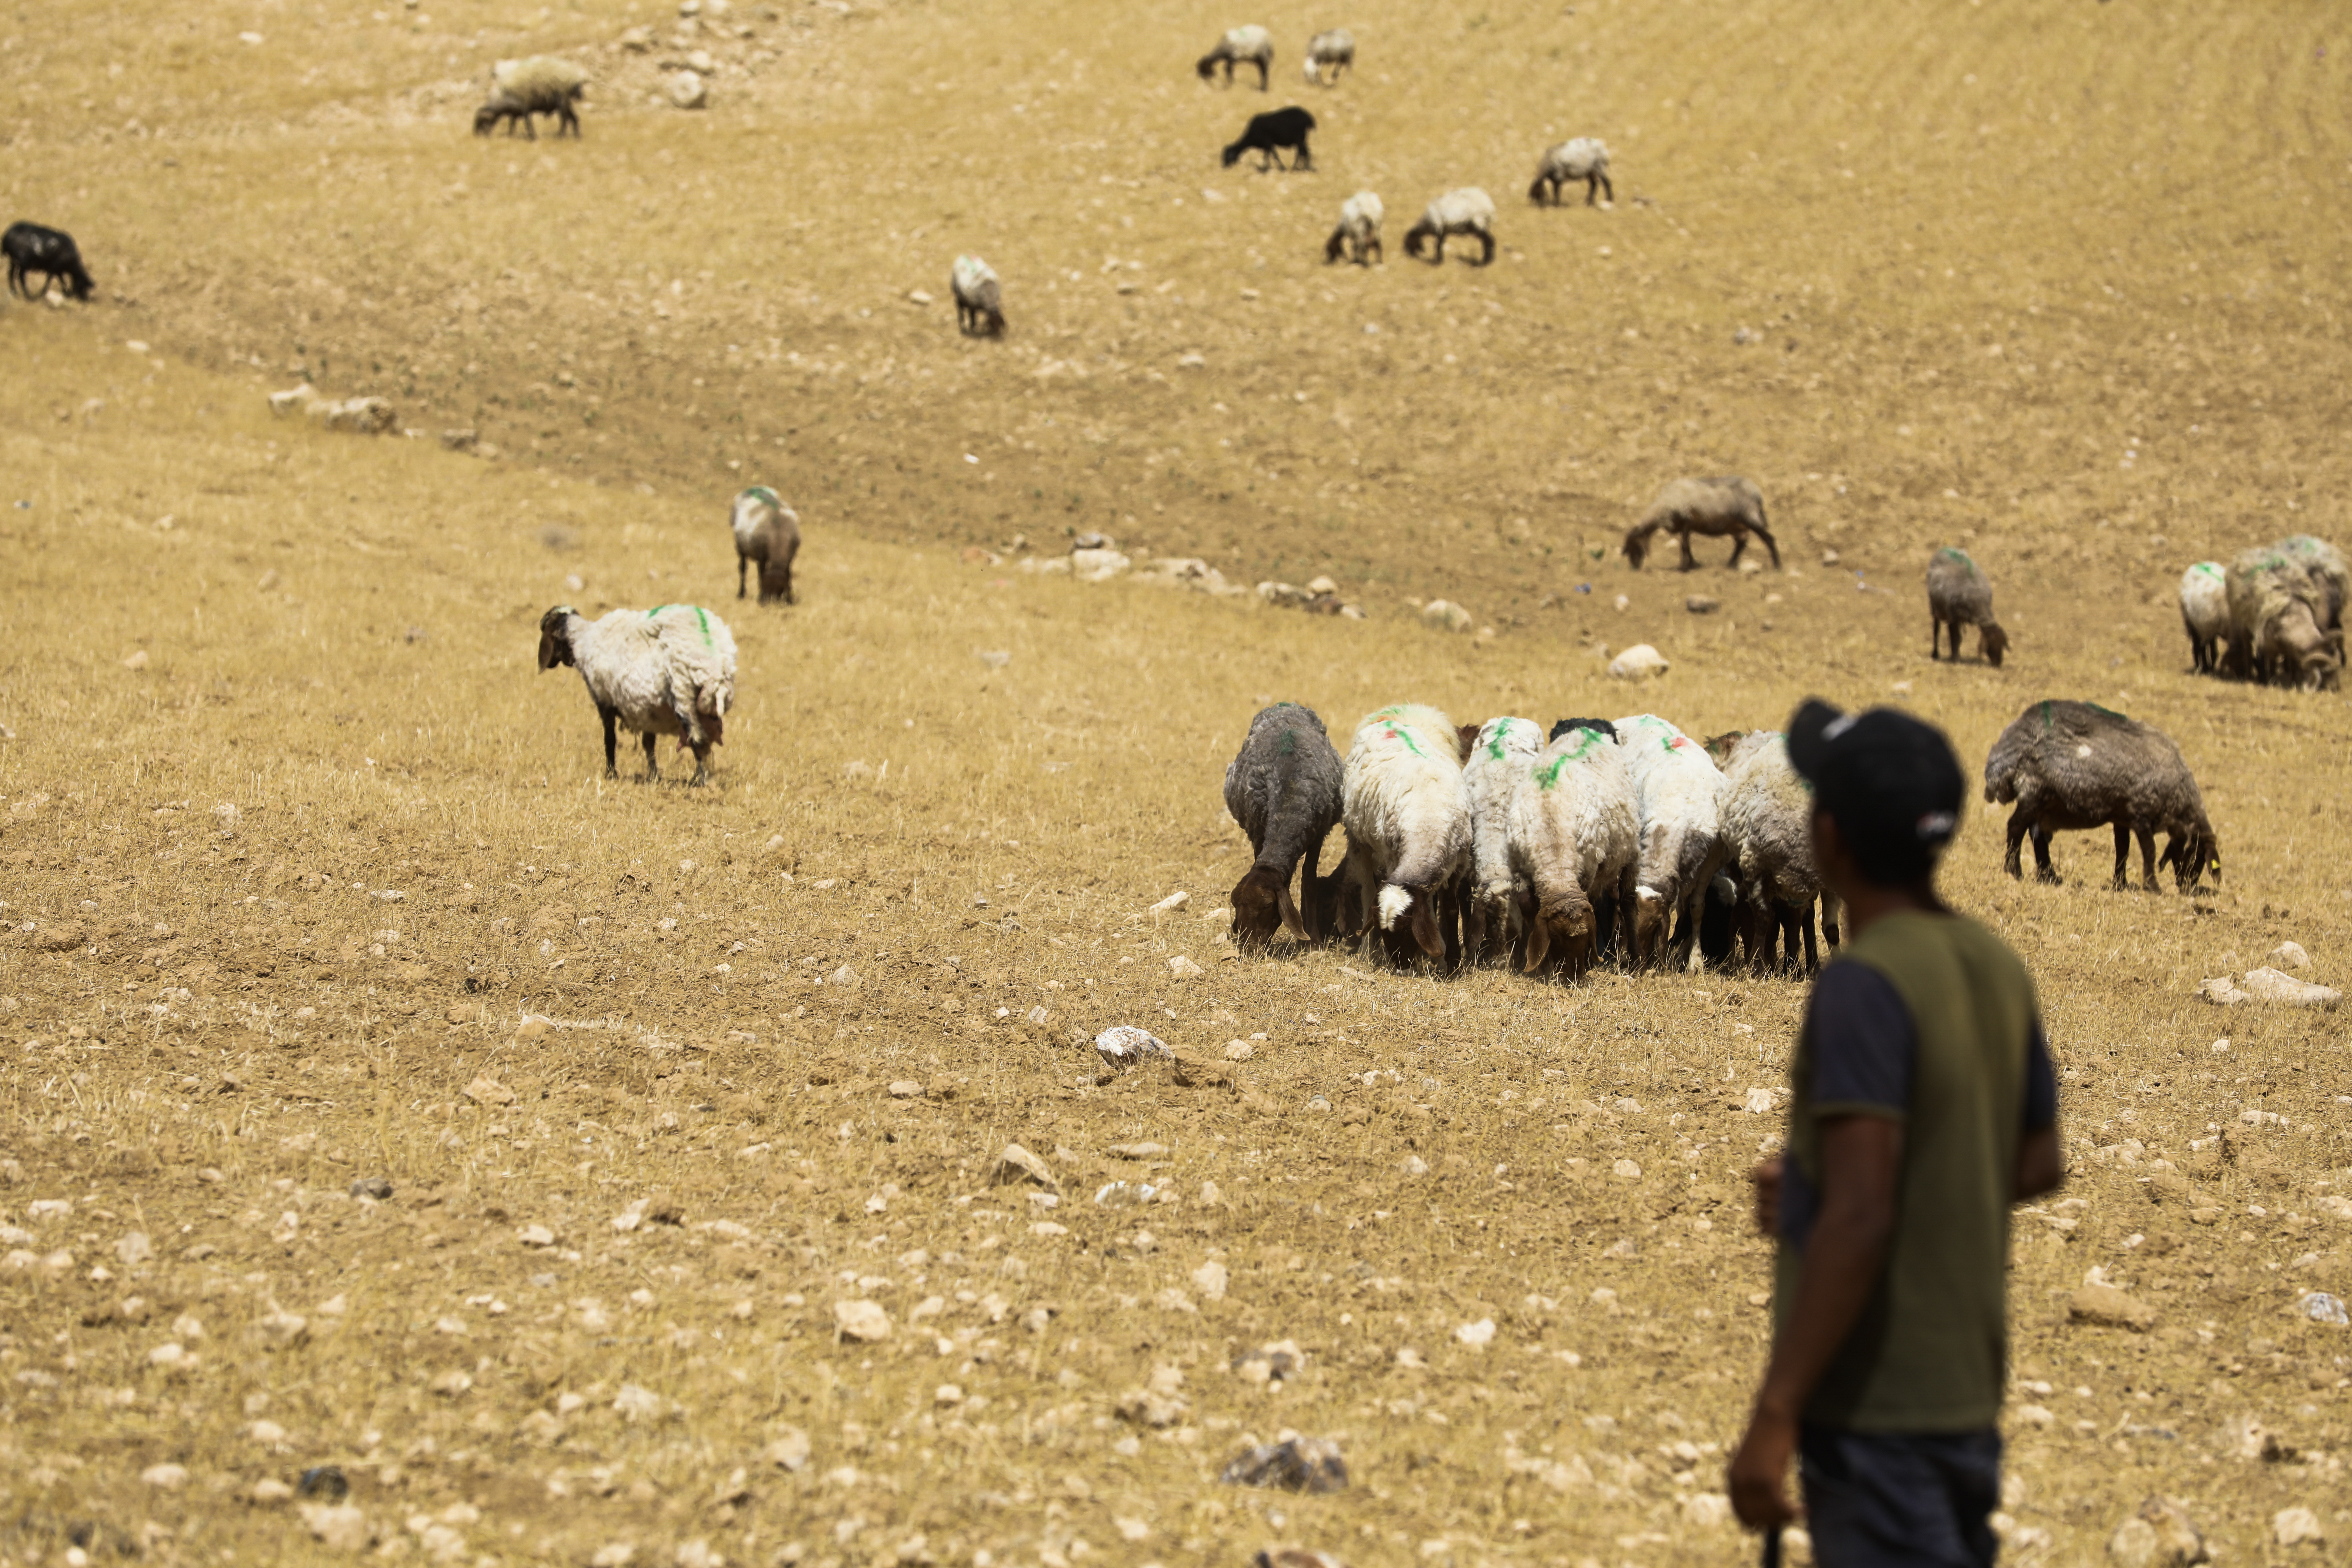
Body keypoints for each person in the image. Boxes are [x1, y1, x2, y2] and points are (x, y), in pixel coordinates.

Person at [1728, 700, 2063, 1567]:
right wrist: (1832, 1183)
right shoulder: (1992, 961)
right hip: (1964, 1393)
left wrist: (1775, 1414)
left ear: (1829, 837)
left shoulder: (1862, 985)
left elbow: (1862, 1213)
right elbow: (2036, 1158)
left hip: (1877, 1401)